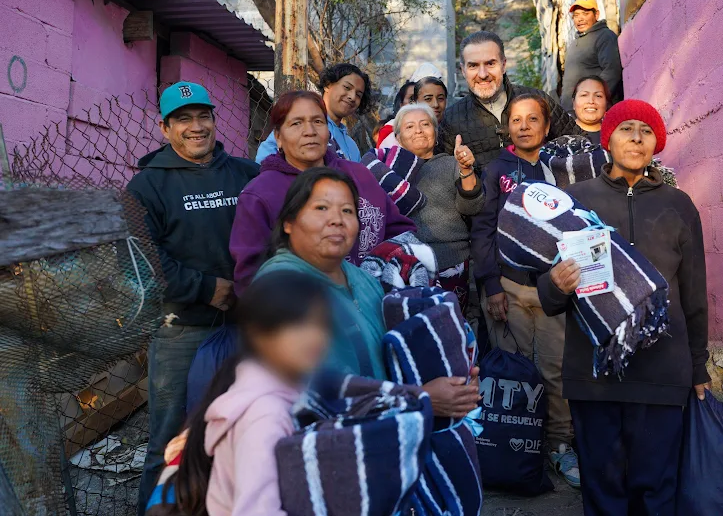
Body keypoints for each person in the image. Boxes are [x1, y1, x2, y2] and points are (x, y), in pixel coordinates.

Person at [537, 100, 711, 516]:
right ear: (608, 139)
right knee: (603, 490)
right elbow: (546, 293)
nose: (636, 137)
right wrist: (556, 284)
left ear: (657, 142)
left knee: (656, 490)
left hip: (662, 372)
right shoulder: (575, 203)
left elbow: (694, 294)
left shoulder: (679, 205)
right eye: (626, 128)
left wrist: (698, 366)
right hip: (593, 373)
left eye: (646, 130)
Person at [128, 81, 259, 514]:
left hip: (247, 327)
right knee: (168, 441)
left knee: (243, 432)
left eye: (203, 116)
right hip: (181, 329)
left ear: (215, 121)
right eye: (183, 119)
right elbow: (143, 259)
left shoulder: (245, 173)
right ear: (165, 128)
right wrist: (207, 288)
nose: (196, 127)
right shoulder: (147, 186)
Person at [254, 167, 480, 413]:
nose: (337, 219)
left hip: (382, 432)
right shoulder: (280, 283)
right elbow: (310, 392)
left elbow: (391, 359)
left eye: (347, 210)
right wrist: (422, 397)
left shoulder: (363, 279)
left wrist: (455, 382)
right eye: (321, 208)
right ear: (289, 223)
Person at [470, 92, 579, 488]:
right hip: (508, 288)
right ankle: (507, 446)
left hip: (552, 291)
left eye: (533, 119)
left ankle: (558, 445)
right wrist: (491, 285)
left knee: (555, 368)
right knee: (511, 370)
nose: (525, 126)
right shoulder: (496, 169)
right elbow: (482, 229)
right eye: (517, 119)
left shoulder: (558, 170)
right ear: (507, 127)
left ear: (547, 127)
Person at [158, 270, 331, 516]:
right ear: (259, 335)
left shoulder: (247, 380)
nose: (315, 337)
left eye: (321, 323)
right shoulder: (265, 417)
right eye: (296, 326)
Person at [230, 90, 416, 295]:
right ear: (278, 137)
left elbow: (400, 232)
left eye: (318, 121)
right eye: (296, 123)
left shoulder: (358, 174)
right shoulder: (259, 194)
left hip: (374, 304)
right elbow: (250, 276)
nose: (309, 131)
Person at [440, 31, 575, 169]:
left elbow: (578, 143)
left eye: (490, 63)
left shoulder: (538, 100)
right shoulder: (451, 119)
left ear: (503, 65)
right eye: (473, 66)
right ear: (463, 70)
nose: (482, 74)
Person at [393, 102, 483, 309]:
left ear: (435, 132)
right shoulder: (390, 171)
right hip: (407, 265)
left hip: (451, 261)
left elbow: (471, 208)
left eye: (425, 124)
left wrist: (466, 169)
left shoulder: (451, 163)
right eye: (409, 126)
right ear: (398, 138)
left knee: (452, 325)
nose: (418, 130)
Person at [255, 63, 374, 163]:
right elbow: (264, 160)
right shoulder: (300, 122)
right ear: (328, 85)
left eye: (358, 95)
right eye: (347, 88)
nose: (352, 97)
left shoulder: (352, 147)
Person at [559, 0, 623, 110]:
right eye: (576, 15)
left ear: (596, 15)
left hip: (592, 110)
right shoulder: (574, 43)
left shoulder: (604, 36)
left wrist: (591, 100)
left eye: (585, 13)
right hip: (572, 112)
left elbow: (612, 71)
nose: (580, 19)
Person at [570, 75, 609, 145]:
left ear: (606, 103)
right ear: (573, 103)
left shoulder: (614, 137)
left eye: (598, 96)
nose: (591, 101)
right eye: (584, 95)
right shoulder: (561, 134)